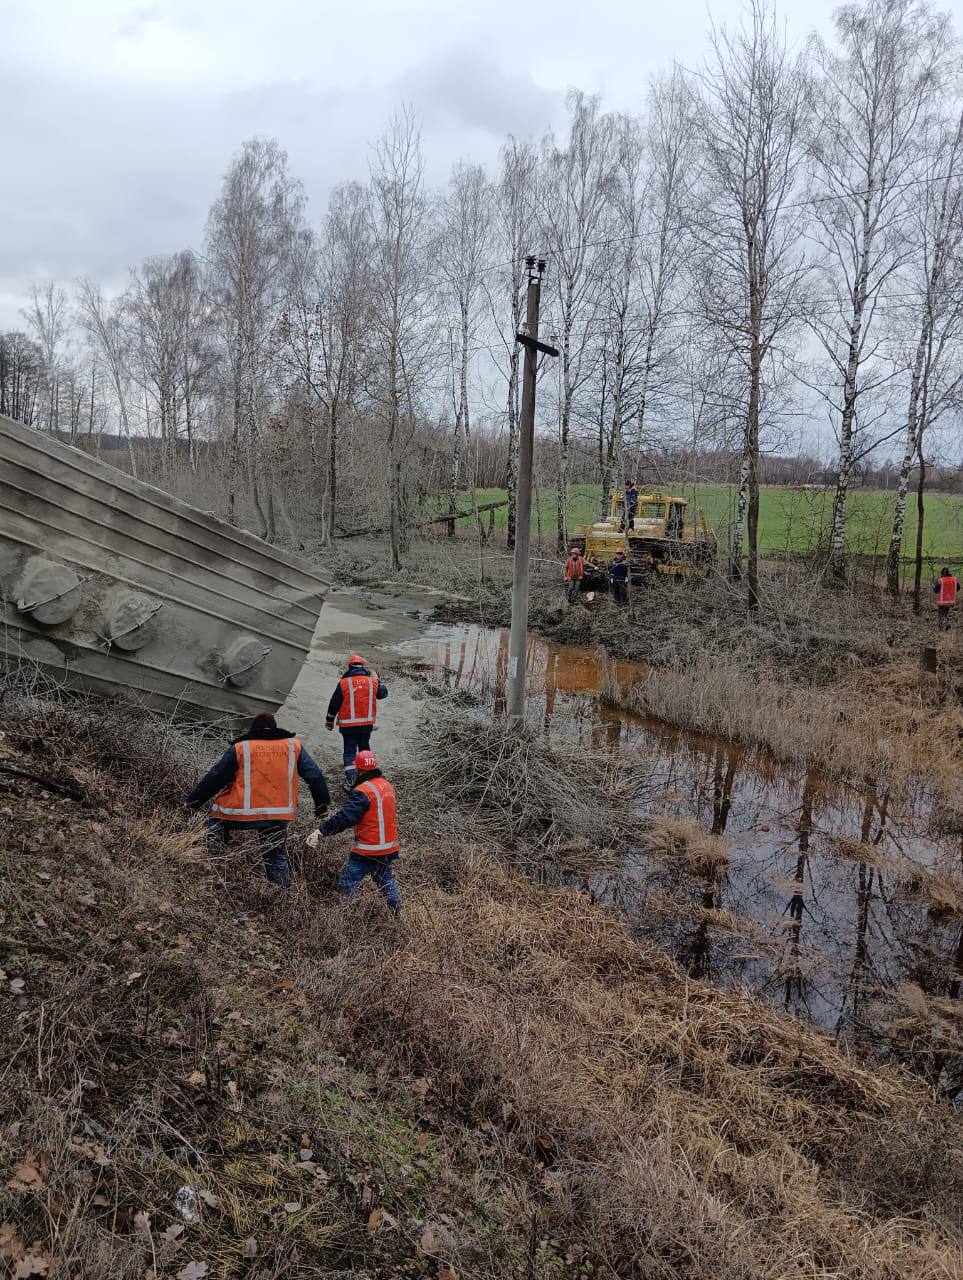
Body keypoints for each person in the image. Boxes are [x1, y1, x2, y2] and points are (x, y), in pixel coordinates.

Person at [186, 712, 330, 888]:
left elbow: (216, 778)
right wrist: (322, 805)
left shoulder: (242, 747)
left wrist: (193, 803)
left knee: (216, 823)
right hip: (278, 814)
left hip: (240, 812)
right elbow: (315, 775)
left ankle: (212, 866)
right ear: (276, 730)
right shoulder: (293, 746)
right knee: (275, 854)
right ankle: (282, 892)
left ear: (254, 731)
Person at [306, 749, 401, 917]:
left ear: (358, 769)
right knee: (386, 880)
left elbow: (345, 818)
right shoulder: (387, 785)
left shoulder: (363, 791)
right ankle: (397, 915)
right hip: (389, 848)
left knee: (347, 882)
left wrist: (321, 831)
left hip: (368, 849)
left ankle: (352, 916)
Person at [325, 655, 388, 785]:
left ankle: (351, 778)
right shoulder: (372, 682)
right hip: (366, 725)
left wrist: (329, 721)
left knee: (349, 752)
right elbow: (383, 694)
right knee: (365, 749)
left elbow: (334, 704)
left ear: (350, 667)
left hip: (348, 727)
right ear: (362, 666)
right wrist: (377, 679)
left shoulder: (343, 683)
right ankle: (368, 776)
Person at [933, 566, 961, 632]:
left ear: (942, 574)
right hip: (951, 602)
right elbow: (958, 588)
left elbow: (936, 590)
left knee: (941, 616)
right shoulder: (954, 580)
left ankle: (941, 629)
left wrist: (934, 585)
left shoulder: (940, 580)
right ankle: (947, 627)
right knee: (948, 615)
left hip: (942, 603)